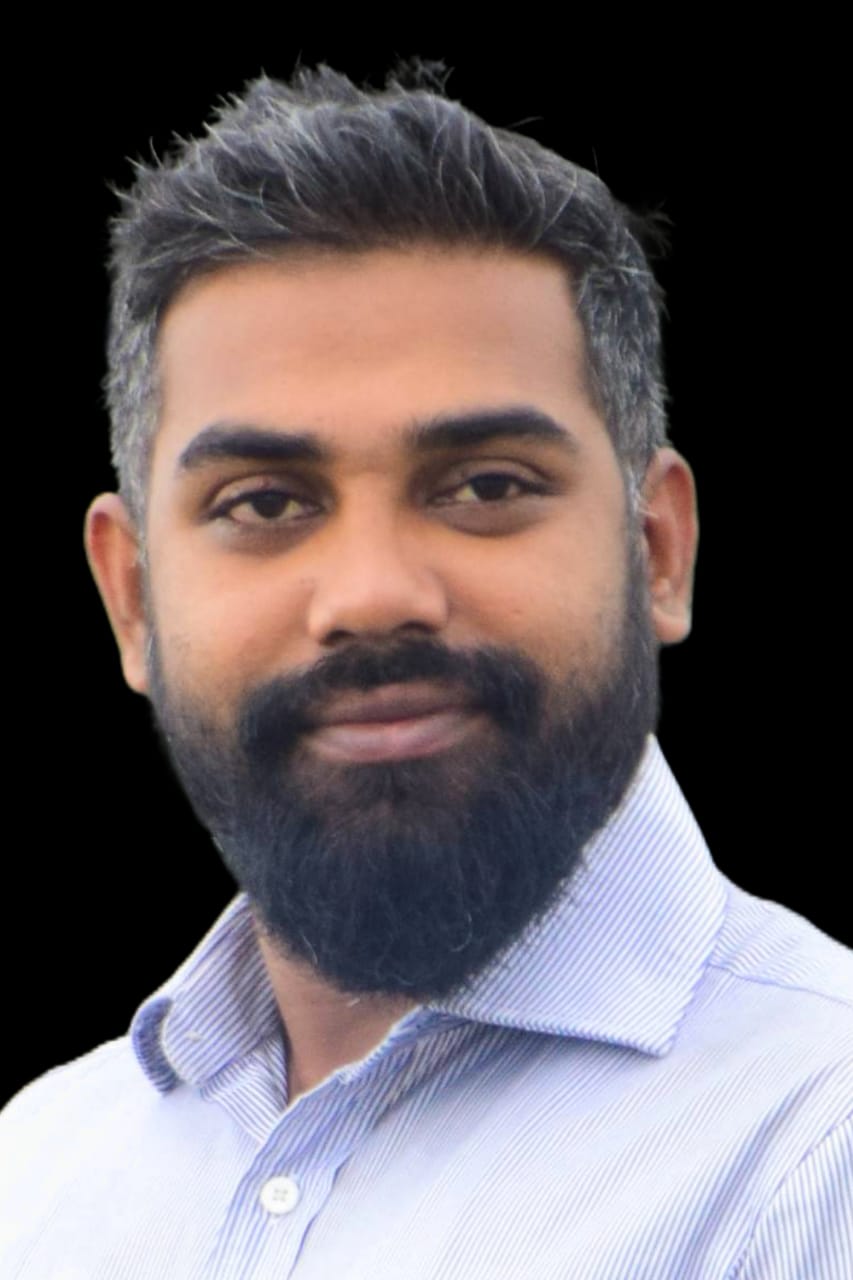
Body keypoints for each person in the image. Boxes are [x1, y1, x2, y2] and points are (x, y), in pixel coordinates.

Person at [2, 61, 850, 1279]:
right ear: (132, 596)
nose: (372, 593)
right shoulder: (36, 1173)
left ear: (657, 548)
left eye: (485, 485)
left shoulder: (817, 1148)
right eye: (265, 502)